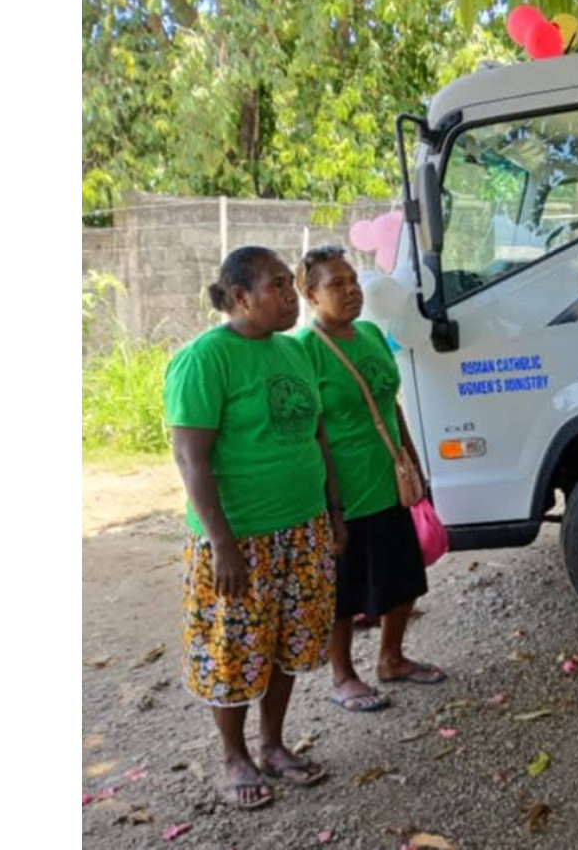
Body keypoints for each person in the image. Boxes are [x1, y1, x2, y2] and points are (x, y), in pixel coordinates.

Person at [164, 246, 345, 810]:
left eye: (292, 285)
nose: (291, 296)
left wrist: (333, 513)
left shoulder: (295, 353)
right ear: (240, 297)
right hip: (240, 540)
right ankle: (234, 756)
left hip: (302, 528)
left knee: (287, 643)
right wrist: (222, 543)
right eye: (277, 287)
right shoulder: (205, 360)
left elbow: (318, 436)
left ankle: (272, 745)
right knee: (236, 652)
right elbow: (191, 458)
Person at [295, 245, 443, 715]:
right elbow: (310, 429)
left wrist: (414, 464)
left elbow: (390, 404)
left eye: (352, 280)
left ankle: (391, 659)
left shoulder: (372, 335)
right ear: (310, 294)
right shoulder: (304, 350)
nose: (350, 291)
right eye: (335, 284)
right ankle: (343, 675)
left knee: (403, 576)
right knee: (346, 588)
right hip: (342, 488)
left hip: (389, 478)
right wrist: (329, 503)